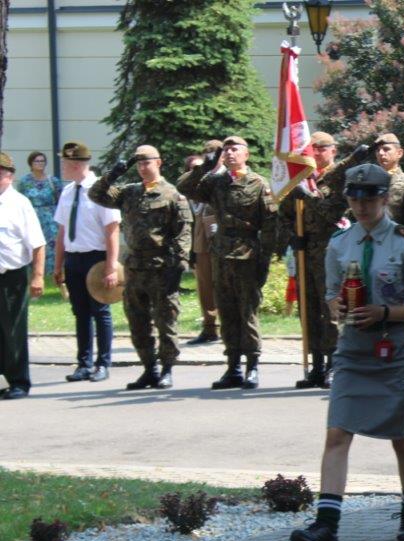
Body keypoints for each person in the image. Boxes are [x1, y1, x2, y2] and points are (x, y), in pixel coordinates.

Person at [289, 164, 404, 541]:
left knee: (402, 439)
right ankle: (327, 525)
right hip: (354, 348)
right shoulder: (339, 243)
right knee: (337, 432)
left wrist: (385, 313)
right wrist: (337, 306)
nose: (361, 206)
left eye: (369, 198)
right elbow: (331, 295)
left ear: (384, 198)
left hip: (396, 348)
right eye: (354, 198)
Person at [177, 135, 278, 390]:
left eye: (235, 149)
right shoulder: (216, 182)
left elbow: (269, 226)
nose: (230, 154)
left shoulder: (258, 184)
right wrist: (206, 166)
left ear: (246, 155)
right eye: (227, 150)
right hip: (221, 255)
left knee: (247, 312)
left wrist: (264, 259)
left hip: (247, 255)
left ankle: (252, 366)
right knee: (227, 312)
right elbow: (185, 188)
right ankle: (232, 367)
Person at [89, 145, 192, 390]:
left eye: (147, 163)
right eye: (139, 164)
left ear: (159, 163)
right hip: (135, 267)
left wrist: (179, 265)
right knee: (138, 322)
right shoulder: (129, 192)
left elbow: (183, 232)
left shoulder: (173, 195)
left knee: (166, 321)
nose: (143, 168)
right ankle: (149, 369)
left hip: (161, 266)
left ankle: (167, 369)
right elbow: (96, 195)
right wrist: (113, 174)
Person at [53, 141, 121, 383]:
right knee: (80, 312)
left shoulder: (101, 189)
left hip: (96, 258)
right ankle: (84, 363)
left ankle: (103, 363)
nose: (61, 166)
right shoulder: (68, 191)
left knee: (100, 311)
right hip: (74, 258)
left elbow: (112, 230)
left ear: (75, 164)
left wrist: (111, 266)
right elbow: (61, 231)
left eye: (64, 162)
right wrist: (58, 264)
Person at [279, 131, 342, 389]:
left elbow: (332, 214)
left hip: (332, 253)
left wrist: (309, 193)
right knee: (309, 310)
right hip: (305, 253)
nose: (315, 153)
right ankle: (315, 364)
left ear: (333, 150)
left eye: (321, 148)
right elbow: (282, 214)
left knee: (332, 311)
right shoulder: (300, 181)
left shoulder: (339, 179)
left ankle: (333, 364)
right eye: (311, 149)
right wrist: (293, 236)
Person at [0, 152, 46, 400]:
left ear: (10, 175)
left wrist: (38, 277)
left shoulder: (19, 204)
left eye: (0, 172)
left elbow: (38, 244)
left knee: (13, 330)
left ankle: (19, 381)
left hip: (12, 277)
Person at [184, 142, 222, 346]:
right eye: (206, 154)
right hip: (200, 236)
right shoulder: (198, 180)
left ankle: (230, 327)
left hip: (222, 237)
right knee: (204, 285)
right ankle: (209, 327)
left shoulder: (226, 177)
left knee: (225, 284)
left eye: (214, 154)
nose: (210, 158)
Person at [16, 151, 62, 276]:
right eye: (37, 161)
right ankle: (34, 273)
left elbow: (61, 201)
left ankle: (52, 274)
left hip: (50, 221)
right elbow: (19, 201)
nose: (40, 163)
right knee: (32, 245)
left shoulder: (53, 181)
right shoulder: (24, 182)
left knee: (51, 247)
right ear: (31, 163)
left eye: (42, 161)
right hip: (31, 218)